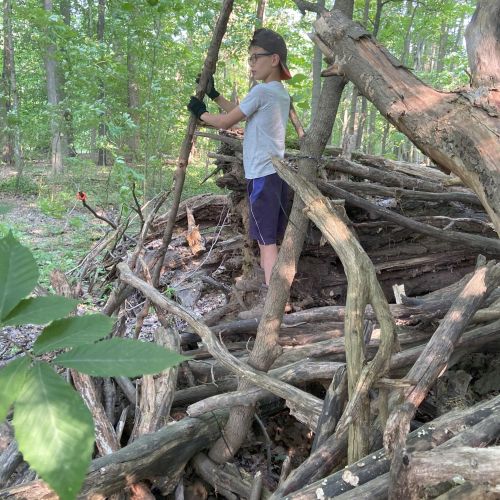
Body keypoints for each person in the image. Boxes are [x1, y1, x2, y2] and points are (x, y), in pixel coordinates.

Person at [187, 29, 291, 314]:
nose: (251, 63)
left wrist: (200, 112)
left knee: (267, 244)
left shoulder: (262, 91)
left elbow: (224, 122)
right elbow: (239, 111)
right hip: (276, 177)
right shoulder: (279, 94)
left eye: (255, 58)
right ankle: (280, 298)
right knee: (271, 241)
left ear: (274, 59)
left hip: (262, 177)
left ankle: (275, 307)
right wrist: (215, 95)